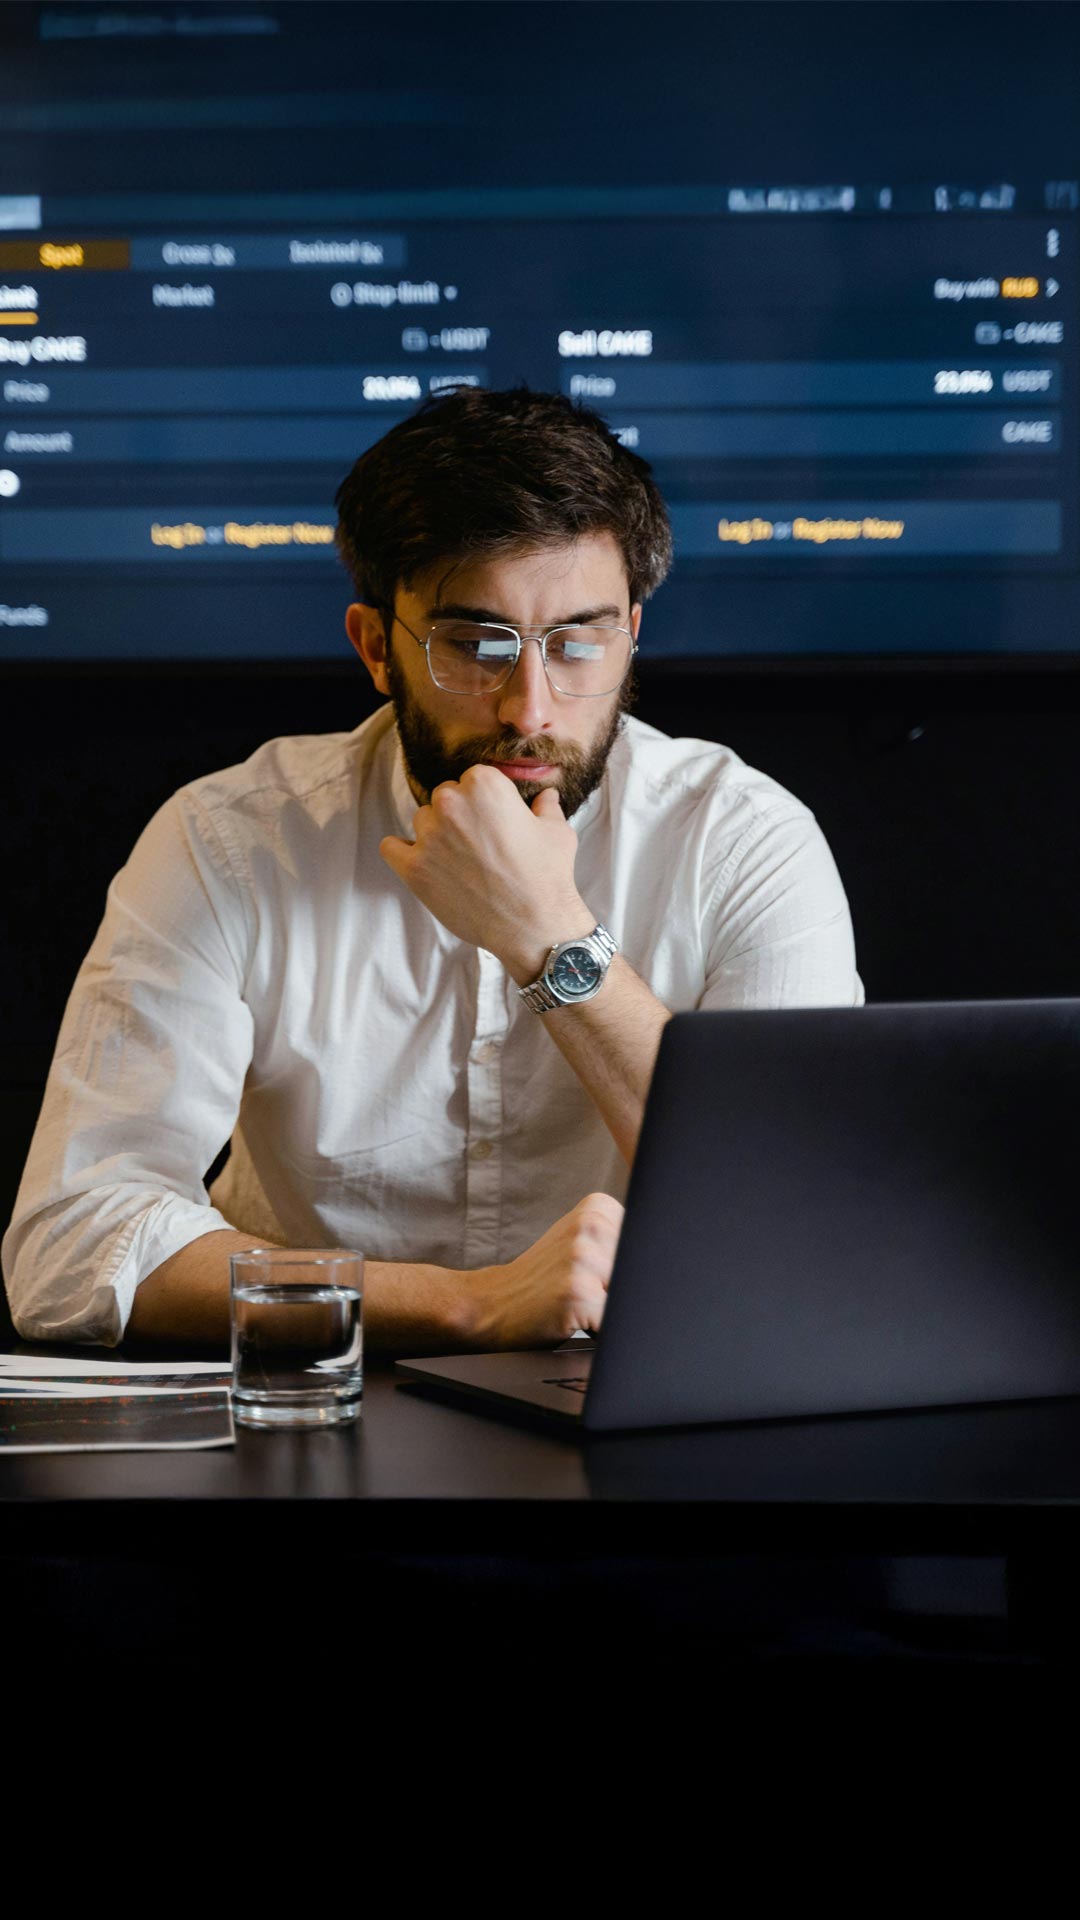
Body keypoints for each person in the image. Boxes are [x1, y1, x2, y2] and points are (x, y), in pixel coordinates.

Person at [2, 387, 863, 1353]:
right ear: (377, 648)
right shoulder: (229, 839)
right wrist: (469, 1305)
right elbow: (71, 1245)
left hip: (642, 1407)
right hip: (309, 1411)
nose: (529, 707)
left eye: (580, 641)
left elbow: (802, 1221)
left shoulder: (746, 840)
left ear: (633, 634)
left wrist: (552, 944)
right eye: (474, 644)